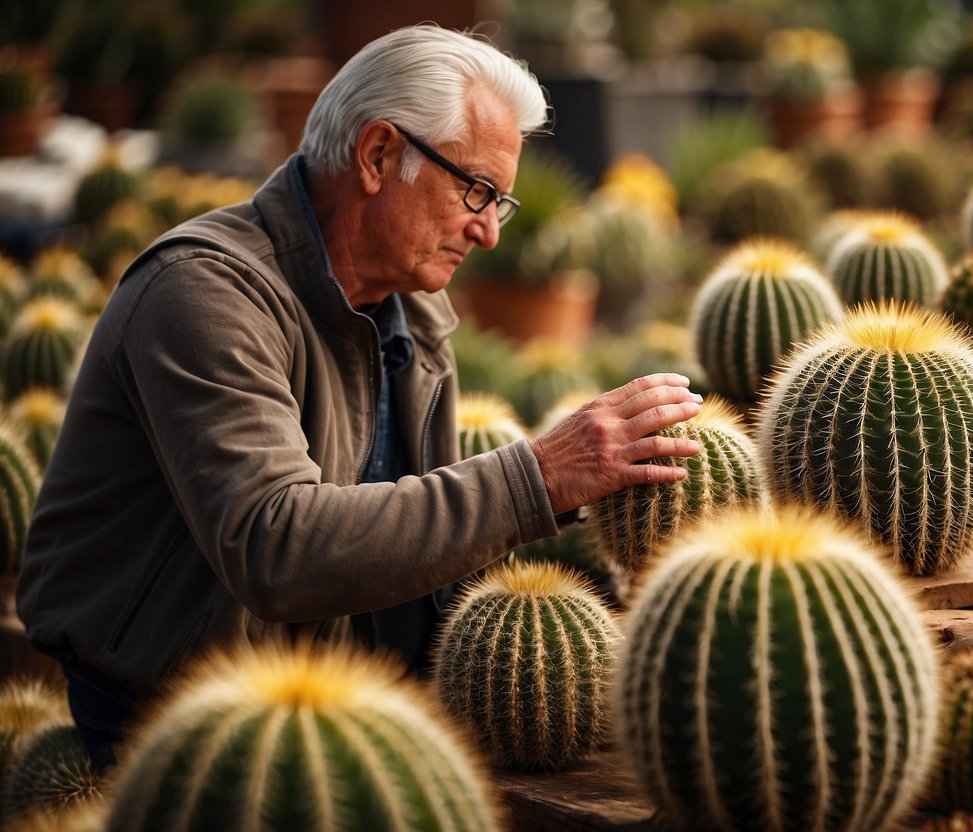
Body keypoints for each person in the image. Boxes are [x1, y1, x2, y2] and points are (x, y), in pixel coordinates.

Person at [15, 24, 702, 769]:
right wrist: (535, 476)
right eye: (476, 189)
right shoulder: (203, 292)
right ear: (378, 156)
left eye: (498, 202)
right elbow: (276, 547)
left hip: (342, 705)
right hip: (179, 723)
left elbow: (405, 540)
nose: (487, 232)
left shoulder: (415, 310)